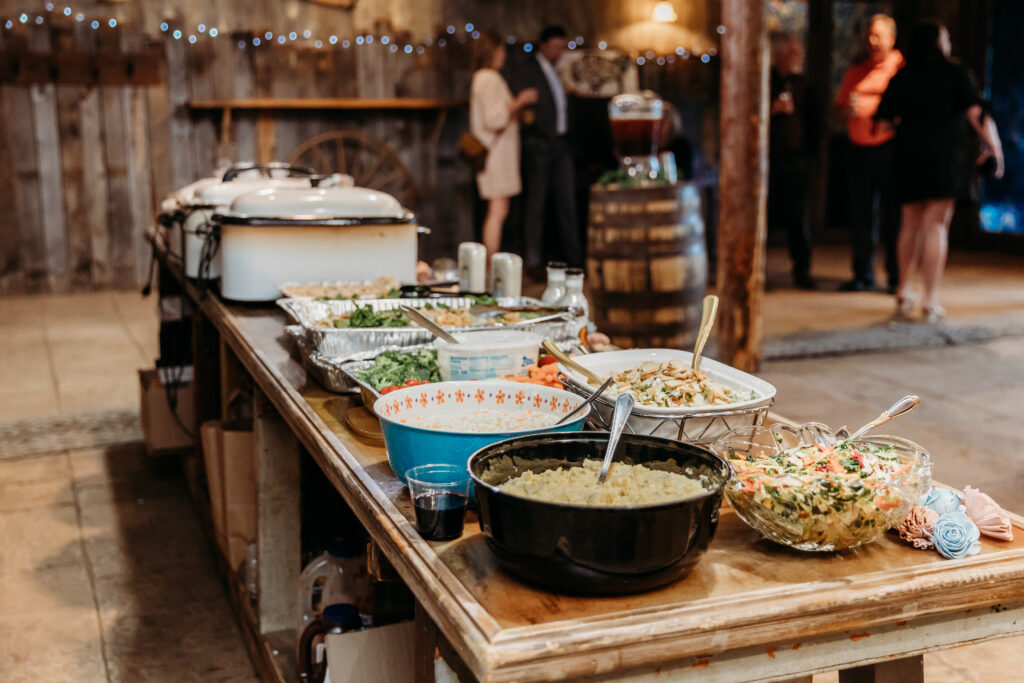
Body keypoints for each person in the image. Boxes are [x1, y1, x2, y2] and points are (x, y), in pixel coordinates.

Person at [875, 21, 1004, 323]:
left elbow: (882, 122)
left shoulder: (902, 76)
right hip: (945, 156)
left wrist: (905, 126)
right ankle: (929, 300)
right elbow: (976, 112)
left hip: (907, 154)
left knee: (909, 223)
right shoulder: (956, 72)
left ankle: (904, 290)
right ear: (938, 42)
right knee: (935, 225)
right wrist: (994, 148)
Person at [835, 14, 904, 292]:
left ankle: (896, 276)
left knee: (893, 217)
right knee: (861, 214)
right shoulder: (856, 71)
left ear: (892, 38)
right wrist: (849, 111)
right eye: (869, 36)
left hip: (890, 151)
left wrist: (877, 110)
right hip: (858, 149)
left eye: (877, 35)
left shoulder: (900, 69)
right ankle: (862, 273)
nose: (872, 41)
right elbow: (839, 107)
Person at [507, 25, 585, 268]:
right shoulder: (528, 69)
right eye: (557, 46)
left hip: (561, 144)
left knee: (567, 204)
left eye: (563, 47)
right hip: (540, 145)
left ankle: (575, 260)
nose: (560, 51)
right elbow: (524, 109)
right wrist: (537, 136)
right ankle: (532, 260)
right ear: (544, 45)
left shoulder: (557, 70)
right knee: (536, 205)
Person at [469, 33, 538, 259]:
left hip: (500, 154)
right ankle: (490, 265)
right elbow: (494, 119)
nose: (503, 56)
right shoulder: (488, 78)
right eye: (498, 52)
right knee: (497, 210)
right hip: (496, 155)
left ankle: (490, 263)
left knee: (500, 209)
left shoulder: (486, 77)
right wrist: (521, 101)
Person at [768, 32, 816, 290]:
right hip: (768, 159)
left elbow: (815, 124)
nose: (796, 58)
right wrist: (772, 110)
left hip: (798, 160)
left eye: (798, 53)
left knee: (799, 217)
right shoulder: (765, 82)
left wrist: (812, 158)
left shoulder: (805, 84)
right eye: (790, 53)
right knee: (764, 216)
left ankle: (802, 270)